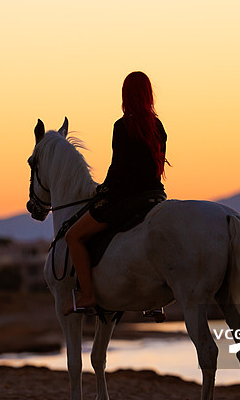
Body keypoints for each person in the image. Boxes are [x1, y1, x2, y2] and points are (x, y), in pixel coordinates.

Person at [64, 71, 167, 315]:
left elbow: (118, 167)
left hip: (128, 200)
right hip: (156, 196)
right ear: (148, 94)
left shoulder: (122, 126)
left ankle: (88, 294)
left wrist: (103, 189)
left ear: (126, 96)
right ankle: (156, 302)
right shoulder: (158, 126)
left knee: (73, 237)